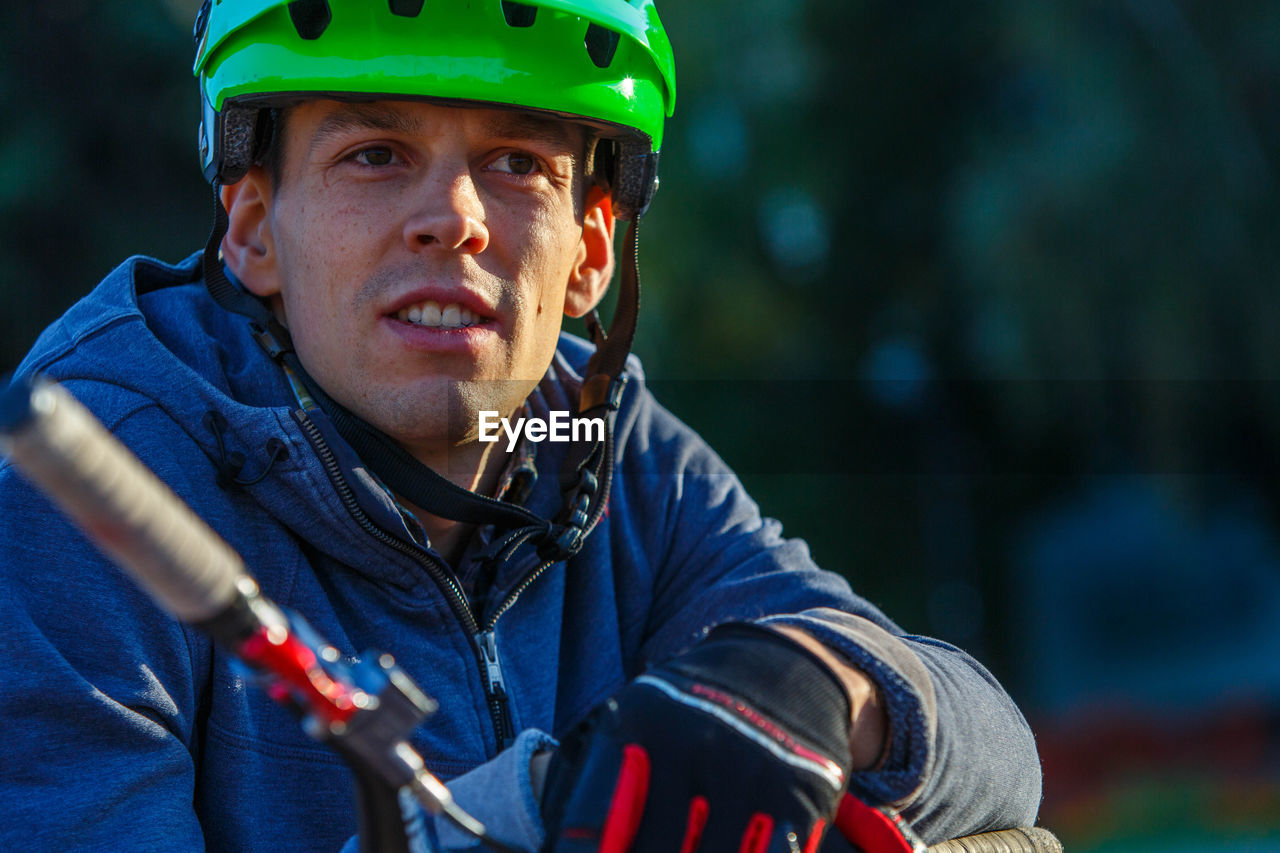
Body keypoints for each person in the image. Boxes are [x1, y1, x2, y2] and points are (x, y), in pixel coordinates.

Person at [0, 1, 1042, 850]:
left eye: (515, 162)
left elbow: (998, 753)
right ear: (253, 230)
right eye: (373, 153)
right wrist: (551, 805)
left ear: (591, 254)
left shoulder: (597, 439)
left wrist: (818, 682)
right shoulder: (91, 473)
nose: (451, 214)